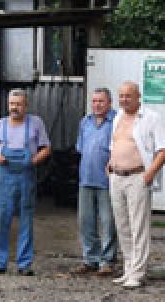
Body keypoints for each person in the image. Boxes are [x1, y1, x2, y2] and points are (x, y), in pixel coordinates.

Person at [107, 81, 165, 289]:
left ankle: (138, 272)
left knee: (138, 226)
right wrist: (110, 163)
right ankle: (128, 268)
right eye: (121, 96)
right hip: (116, 176)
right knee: (122, 225)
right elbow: (115, 144)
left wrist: (150, 173)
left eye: (128, 96)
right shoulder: (118, 116)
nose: (124, 99)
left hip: (137, 176)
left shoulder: (151, 118)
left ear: (138, 97)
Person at [0, 89, 51, 277]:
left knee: (26, 220)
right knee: (0, 219)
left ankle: (24, 264)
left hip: (26, 176)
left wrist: (33, 161)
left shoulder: (36, 123)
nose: (15, 107)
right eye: (12, 104)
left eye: (18, 104)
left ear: (26, 105)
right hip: (4, 177)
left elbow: (46, 148)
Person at [73, 87, 118, 276]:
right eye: (94, 101)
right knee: (86, 222)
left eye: (101, 101)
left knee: (108, 222)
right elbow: (81, 148)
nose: (97, 105)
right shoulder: (85, 122)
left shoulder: (117, 121)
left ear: (109, 103)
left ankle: (107, 261)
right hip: (86, 179)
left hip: (107, 181)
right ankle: (90, 259)